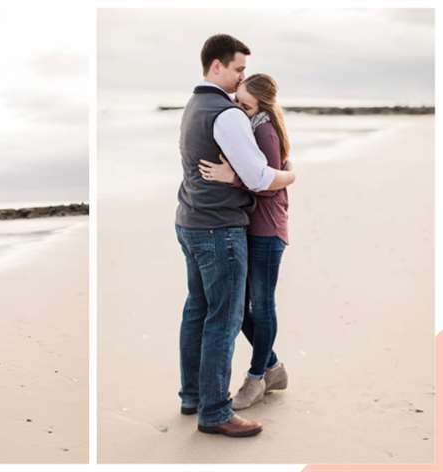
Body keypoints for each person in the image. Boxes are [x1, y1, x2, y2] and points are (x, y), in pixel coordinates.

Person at [174, 34, 295, 437]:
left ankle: (192, 396)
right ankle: (215, 411)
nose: (243, 76)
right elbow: (260, 177)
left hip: (189, 221)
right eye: (239, 69)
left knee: (197, 310)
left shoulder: (193, 106)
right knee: (223, 320)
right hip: (219, 228)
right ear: (217, 67)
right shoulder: (227, 115)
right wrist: (291, 175)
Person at [198, 73, 291, 411]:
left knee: (261, 305)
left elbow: (267, 184)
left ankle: (256, 378)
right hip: (251, 228)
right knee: (239, 307)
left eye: (244, 104)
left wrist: (231, 178)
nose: (237, 108)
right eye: (236, 100)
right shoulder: (250, 125)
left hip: (266, 230)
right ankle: (273, 367)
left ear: (262, 105)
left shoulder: (264, 129)